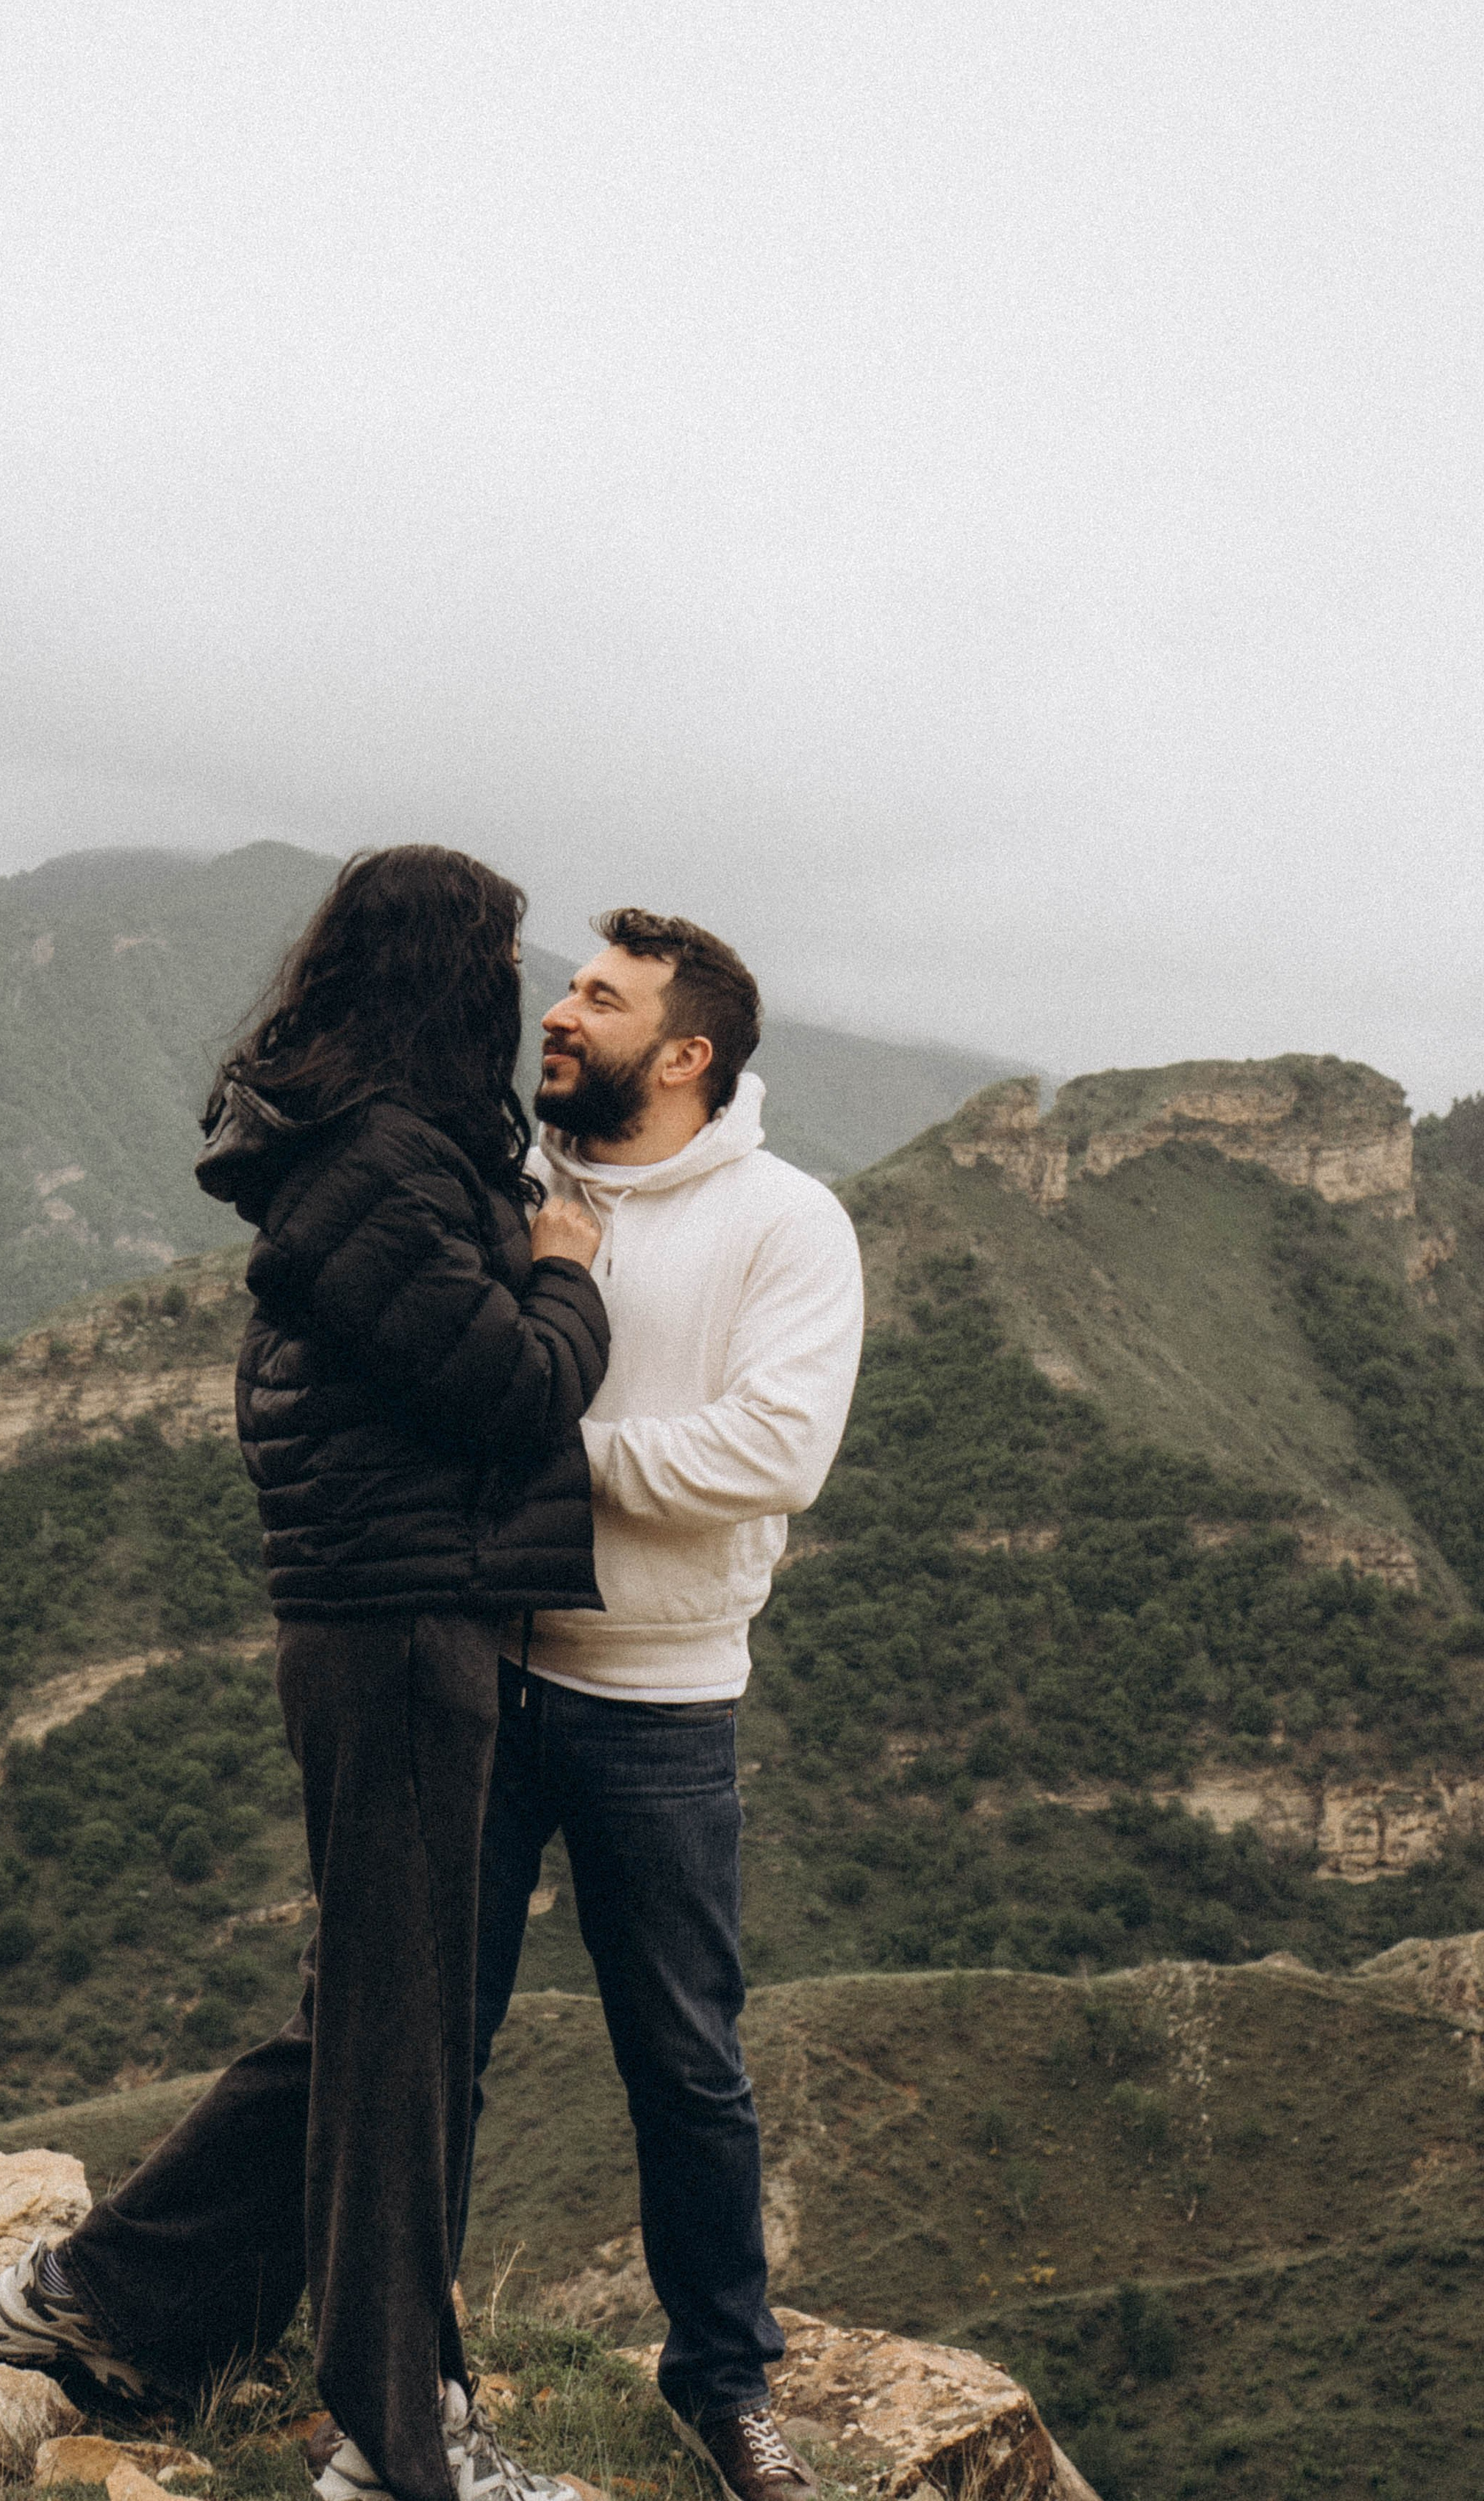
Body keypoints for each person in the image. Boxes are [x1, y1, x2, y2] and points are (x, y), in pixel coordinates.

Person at [0, 847, 610, 2501]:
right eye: (505, 960)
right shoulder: (380, 1173)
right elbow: (515, 1394)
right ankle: (402, 2446)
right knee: (401, 2052)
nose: (523, 989)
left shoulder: (370, 1152)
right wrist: (567, 1267)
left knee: (363, 2025)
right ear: (445, 975)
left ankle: (99, 2296)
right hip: (397, 1630)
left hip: (402, 1618)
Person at [466, 911, 864, 2501]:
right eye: (567, 988)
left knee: (686, 2066)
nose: (555, 1014)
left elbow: (774, 1454)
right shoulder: (518, 1195)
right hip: (481, 1677)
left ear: (683, 1053)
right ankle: (389, 2356)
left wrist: (548, 1460)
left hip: (660, 1705)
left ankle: (723, 2383)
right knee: (434, 2041)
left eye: (595, 999)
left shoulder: (785, 1223)